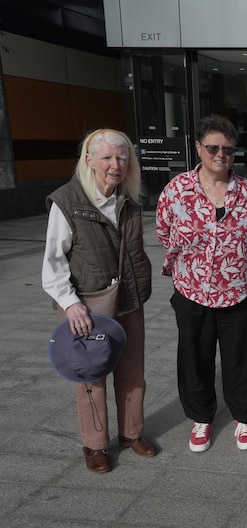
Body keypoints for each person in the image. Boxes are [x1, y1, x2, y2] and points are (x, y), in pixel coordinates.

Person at [42, 128, 155, 473]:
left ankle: (131, 434)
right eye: (106, 157)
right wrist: (71, 303)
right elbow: (53, 261)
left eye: (122, 157)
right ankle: (94, 445)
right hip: (86, 302)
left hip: (129, 297)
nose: (115, 164)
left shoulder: (130, 199)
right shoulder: (67, 201)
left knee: (133, 370)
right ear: (89, 161)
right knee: (90, 374)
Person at [157, 114, 247, 453]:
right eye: (213, 147)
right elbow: (163, 232)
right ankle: (201, 417)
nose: (221, 154)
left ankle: (245, 417)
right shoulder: (177, 190)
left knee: (243, 358)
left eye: (229, 149)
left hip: (239, 293)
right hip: (192, 292)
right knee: (195, 358)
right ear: (198, 147)